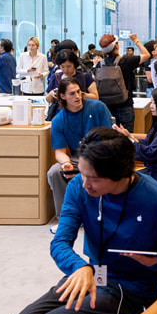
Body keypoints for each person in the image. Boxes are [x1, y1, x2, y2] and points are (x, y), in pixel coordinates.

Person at [10, 128, 157, 314]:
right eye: (82, 174)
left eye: (93, 178)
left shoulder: (156, 198)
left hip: (131, 290)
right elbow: (60, 242)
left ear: (119, 174)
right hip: (94, 274)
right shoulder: (78, 188)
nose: (85, 184)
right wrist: (80, 267)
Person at [47, 77, 114, 220]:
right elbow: (59, 152)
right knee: (54, 172)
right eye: (72, 93)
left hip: (102, 154)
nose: (77, 96)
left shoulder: (98, 107)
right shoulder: (58, 120)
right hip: (78, 157)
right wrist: (66, 163)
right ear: (62, 96)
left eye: (79, 92)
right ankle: (66, 217)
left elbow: (110, 138)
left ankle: (99, 214)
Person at [113, 86, 157, 192]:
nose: (151, 106)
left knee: (124, 181)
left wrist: (130, 141)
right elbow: (148, 143)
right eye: (151, 102)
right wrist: (129, 136)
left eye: (154, 103)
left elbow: (151, 153)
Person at [96, 32, 150, 131]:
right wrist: (136, 40)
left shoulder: (100, 64)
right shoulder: (125, 61)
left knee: (110, 136)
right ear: (116, 46)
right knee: (126, 136)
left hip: (107, 107)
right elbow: (146, 55)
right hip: (125, 105)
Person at [46, 50, 98, 119]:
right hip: (60, 116)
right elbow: (48, 99)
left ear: (74, 64)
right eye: (62, 66)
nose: (65, 70)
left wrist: (79, 94)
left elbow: (95, 97)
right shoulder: (55, 77)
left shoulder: (85, 77)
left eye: (69, 66)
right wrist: (52, 94)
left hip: (82, 115)